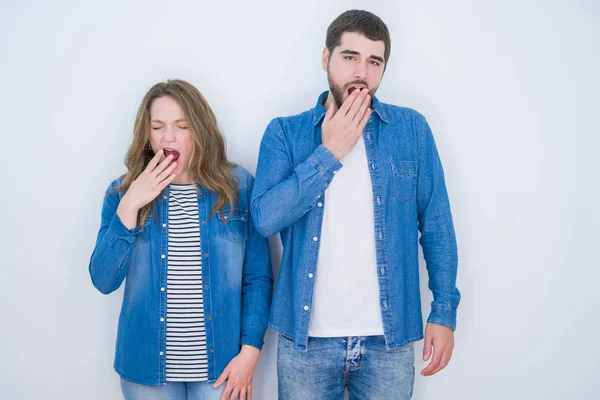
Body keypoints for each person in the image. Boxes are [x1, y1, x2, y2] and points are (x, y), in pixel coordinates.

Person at [251, 10, 460, 399]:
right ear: (326, 58)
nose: (361, 71)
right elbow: (264, 218)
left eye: (374, 61)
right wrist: (328, 154)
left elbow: (437, 226)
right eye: (350, 57)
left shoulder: (411, 130)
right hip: (305, 343)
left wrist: (444, 311)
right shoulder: (286, 133)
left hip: (389, 342)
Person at [89, 79, 272, 400]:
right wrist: (131, 205)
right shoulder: (122, 193)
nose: (169, 136)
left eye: (182, 125)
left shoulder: (238, 187)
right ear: (147, 134)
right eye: (158, 126)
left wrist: (250, 352)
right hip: (146, 371)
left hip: (222, 368)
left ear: (199, 129)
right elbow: (103, 280)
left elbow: (257, 277)